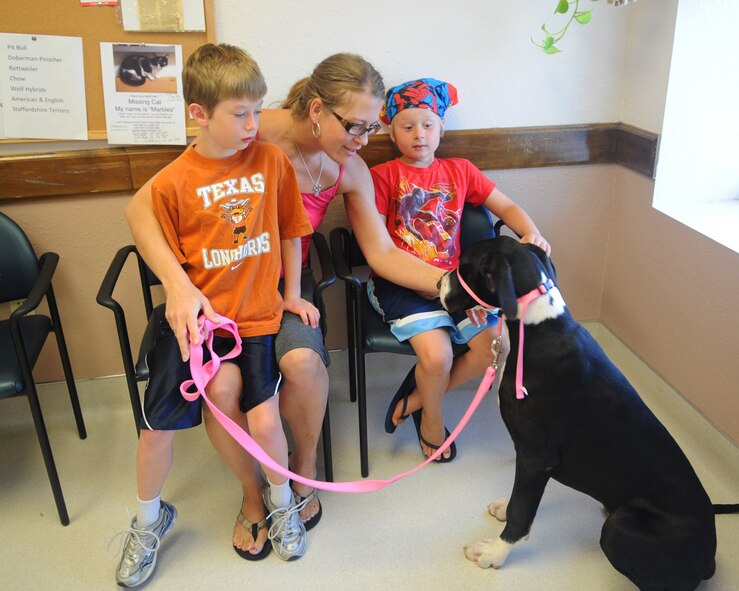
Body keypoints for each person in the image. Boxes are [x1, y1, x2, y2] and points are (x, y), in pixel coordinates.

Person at [124, 54, 463, 530]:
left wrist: (456, 287)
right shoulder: (251, 130)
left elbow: (382, 254)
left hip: (287, 286)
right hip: (224, 289)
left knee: (302, 362)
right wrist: (177, 286)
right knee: (224, 388)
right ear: (319, 110)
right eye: (357, 127)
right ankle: (252, 494)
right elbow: (144, 210)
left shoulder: (347, 166)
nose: (365, 142)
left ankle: (302, 472)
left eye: (372, 129)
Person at [115, 43, 317, 587]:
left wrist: (292, 293)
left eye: (257, 110)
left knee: (266, 418)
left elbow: (292, 232)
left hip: (257, 318)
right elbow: (149, 230)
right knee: (156, 428)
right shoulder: (175, 180)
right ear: (199, 114)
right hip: (200, 324)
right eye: (240, 113)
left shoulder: (271, 161)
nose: (254, 124)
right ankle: (147, 521)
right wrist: (178, 293)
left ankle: (279, 502)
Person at [370, 78, 551, 461]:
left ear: (441, 128)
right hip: (403, 287)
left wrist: (531, 232)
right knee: (437, 357)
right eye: (407, 126)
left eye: (428, 125)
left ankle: (417, 397)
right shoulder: (382, 176)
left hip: (458, 284)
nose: (419, 134)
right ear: (391, 131)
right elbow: (375, 244)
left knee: (492, 348)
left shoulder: (461, 170)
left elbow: (507, 207)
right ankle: (432, 419)